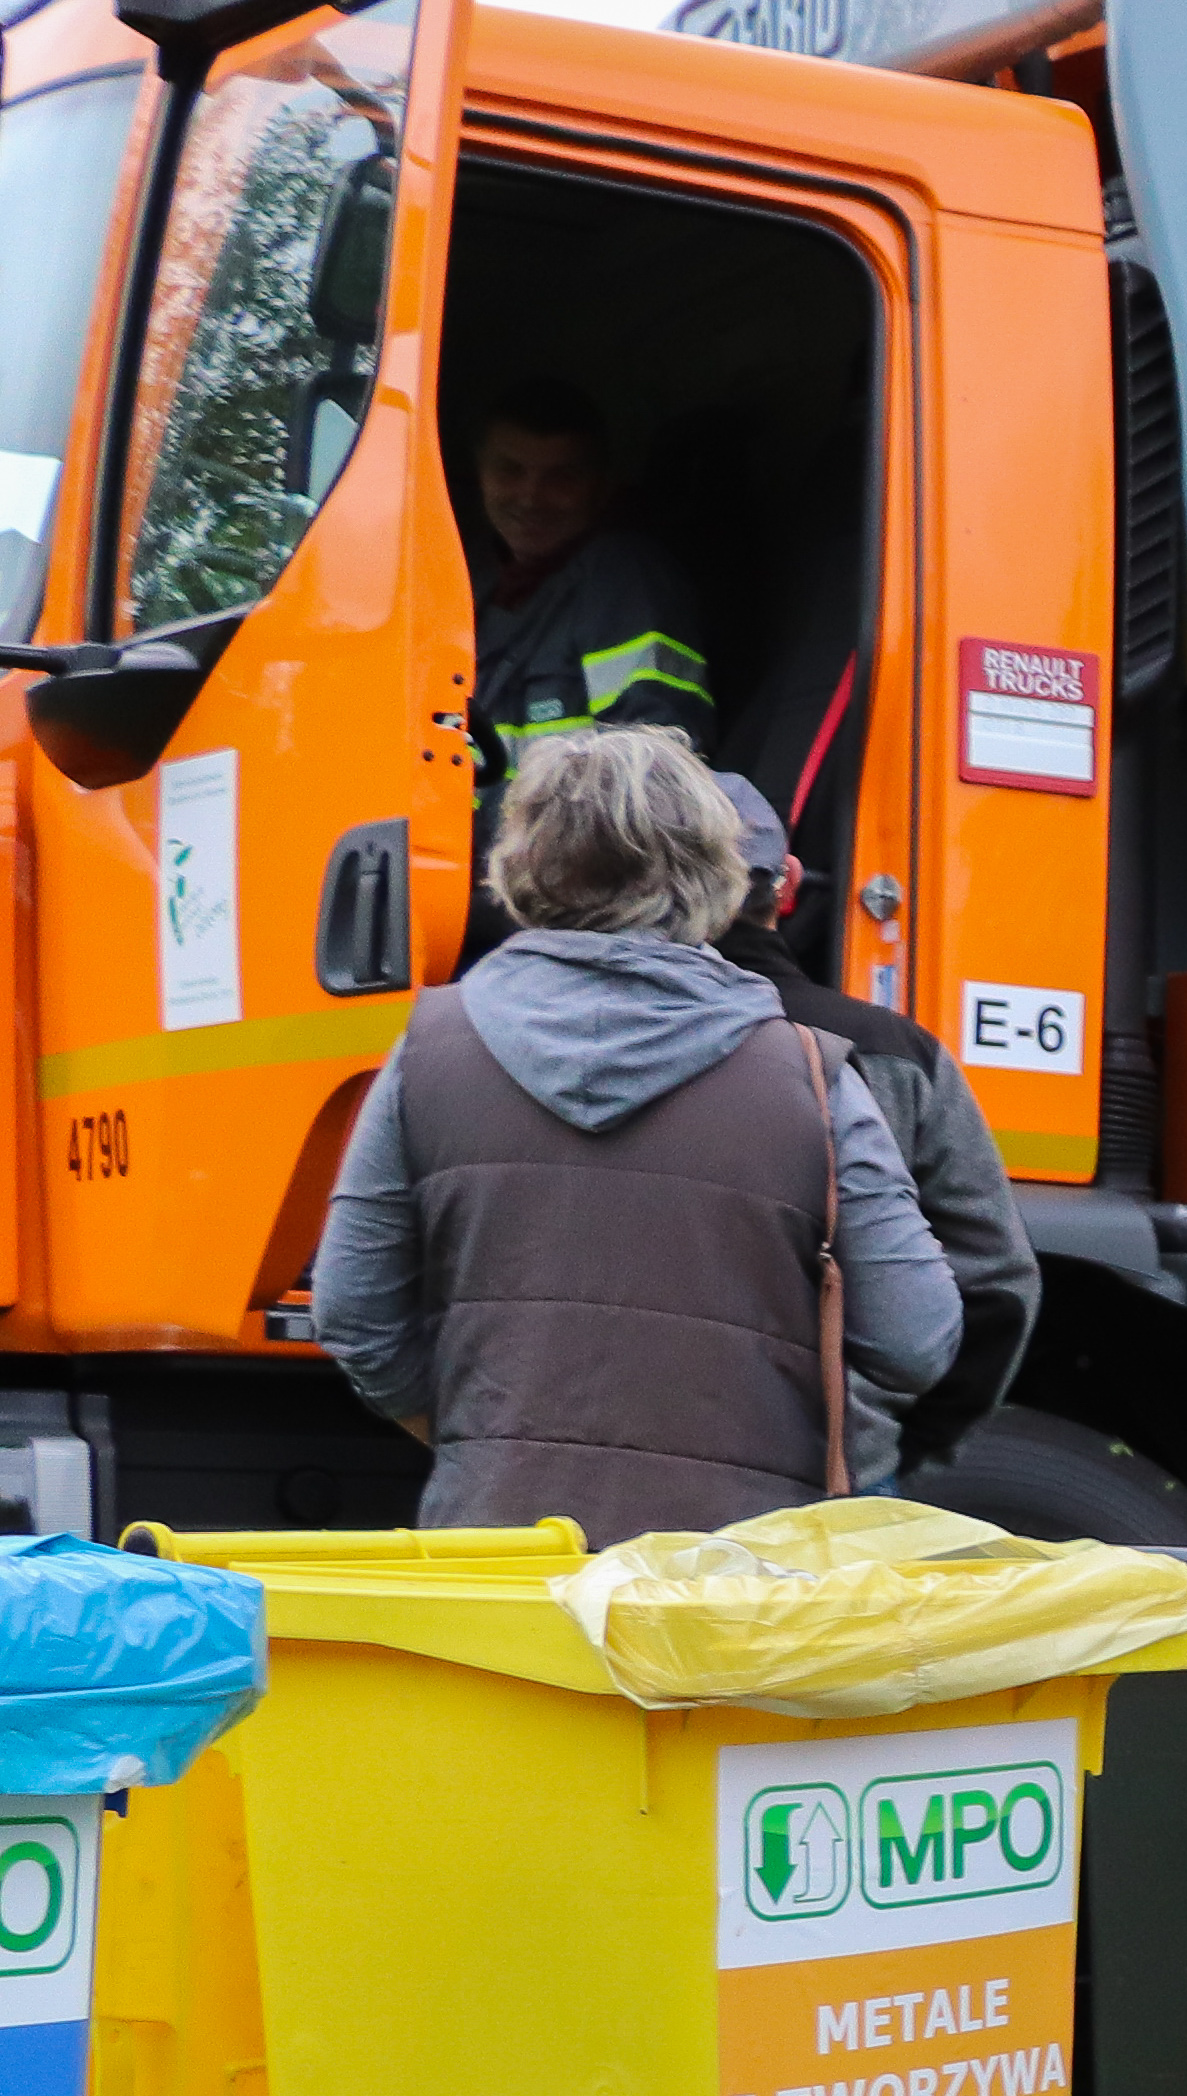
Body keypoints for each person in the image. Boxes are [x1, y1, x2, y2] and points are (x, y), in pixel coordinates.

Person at [311, 730, 957, 1541]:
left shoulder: (428, 1051)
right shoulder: (811, 1075)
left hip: (494, 1569)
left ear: (522, 862)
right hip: (735, 1588)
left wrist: (482, 1436)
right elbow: (916, 1339)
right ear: (711, 871)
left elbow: (353, 1316)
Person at [707, 773, 1038, 1485]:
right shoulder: (894, 1052)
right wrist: (890, 1441)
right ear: (788, 884)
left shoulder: (505, 1037)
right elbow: (998, 1284)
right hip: (829, 1477)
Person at [461, 380, 715, 823]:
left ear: (598, 486)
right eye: (509, 470)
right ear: (480, 470)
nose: (530, 497)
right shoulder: (466, 581)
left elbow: (654, 765)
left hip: (563, 872)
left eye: (562, 478)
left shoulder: (626, 578)